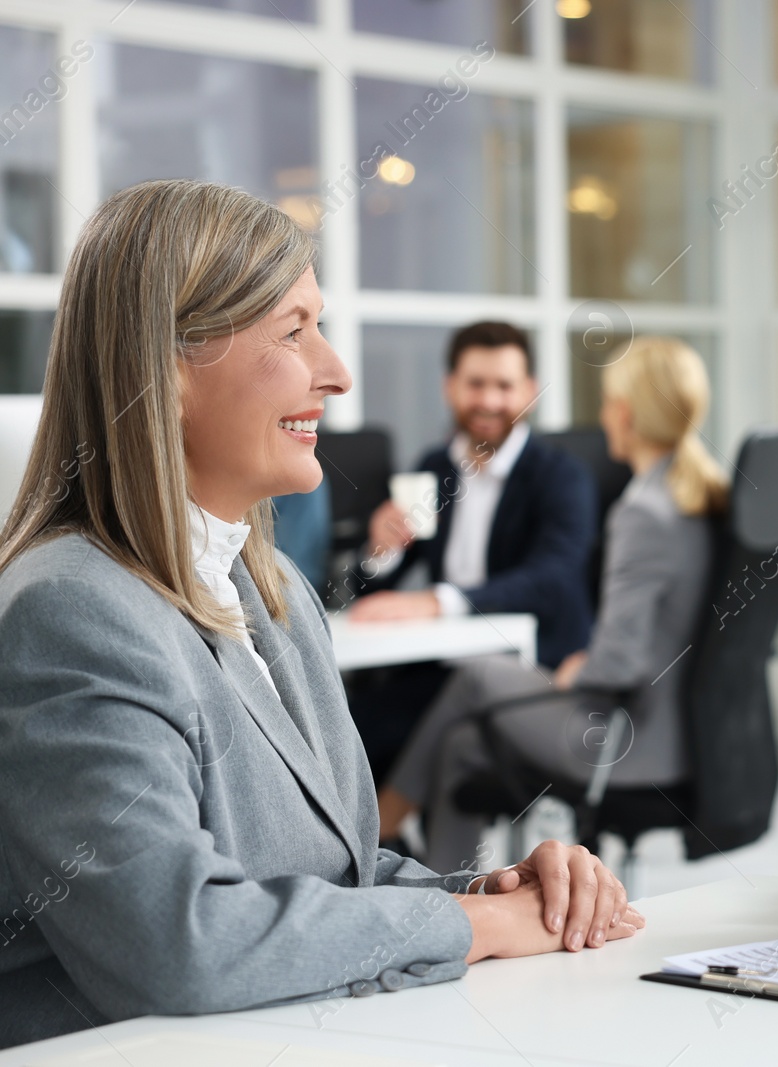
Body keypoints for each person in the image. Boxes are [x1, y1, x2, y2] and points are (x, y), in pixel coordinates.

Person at [0, 180, 642, 1050]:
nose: (335, 372)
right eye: (293, 331)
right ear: (168, 365)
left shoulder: (276, 593)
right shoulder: (71, 610)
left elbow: (336, 873)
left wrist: (495, 893)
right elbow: (179, 941)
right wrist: (483, 929)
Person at [376, 337, 726, 874]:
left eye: (609, 403)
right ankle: (452, 898)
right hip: (675, 733)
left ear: (626, 413)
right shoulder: (697, 496)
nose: (604, 415)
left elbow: (616, 659)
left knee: (477, 680)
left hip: (624, 742)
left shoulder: (641, 512)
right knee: (461, 743)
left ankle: (383, 823)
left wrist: (577, 671)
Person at [344, 321, 597, 781]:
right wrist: (382, 552)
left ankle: (388, 839)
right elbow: (373, 589)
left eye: (504, 385)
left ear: (529, 391)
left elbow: (553, 577)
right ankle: (382, 847)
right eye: (475, 384)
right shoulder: (433, 467)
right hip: (444, 672)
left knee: (421, 742)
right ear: (450, 387)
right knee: (346, 729)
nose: (489, 400)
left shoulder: (561, 476)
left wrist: (439, 601)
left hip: (534, 672)